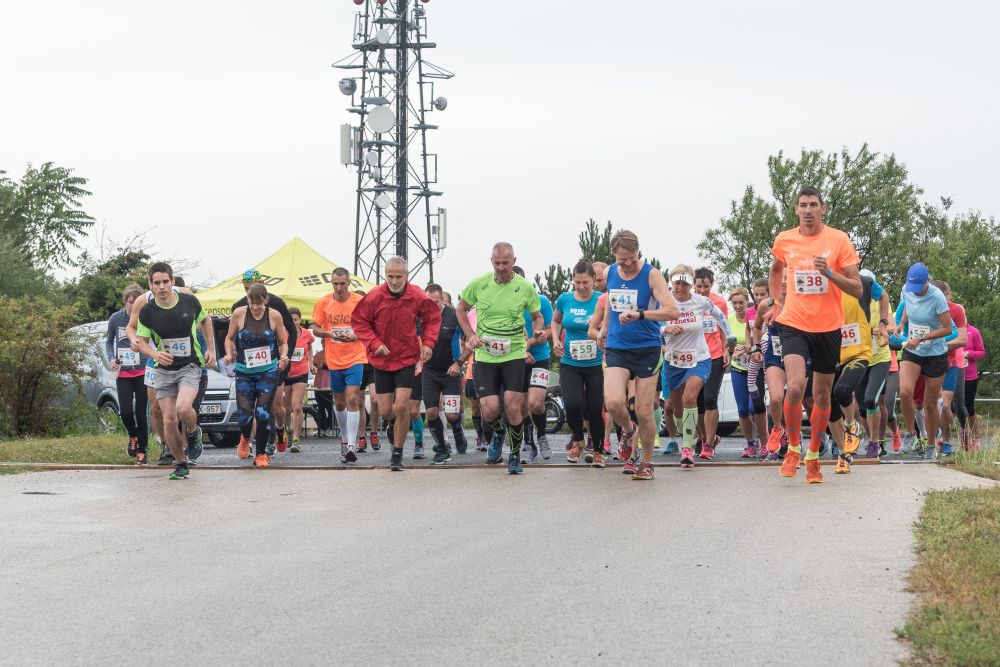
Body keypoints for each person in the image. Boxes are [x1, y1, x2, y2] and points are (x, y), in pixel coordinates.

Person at [766, 186, 862, 484]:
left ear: (823, 208)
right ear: (796, 209)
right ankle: (794, 448)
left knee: (822, 395)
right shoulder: (784, 239)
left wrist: (830, 274)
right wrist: (776, 302)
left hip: (829, 327)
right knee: (794, 387)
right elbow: (776, 269)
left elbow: (857, 288)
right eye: (803, 205)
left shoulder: (838, 240)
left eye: (813, 205)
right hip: (794, 323)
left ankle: (813, 456)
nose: (808, 210)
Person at [456, 242, 546, 475]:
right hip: (485, 354)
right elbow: (460, 308)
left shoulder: (525, 287)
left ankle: (514, 455)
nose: (501, 268)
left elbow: (537, 317)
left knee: (512, 406)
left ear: (514, 261)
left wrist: (537, 330)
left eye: (506, 263)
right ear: (491, 261)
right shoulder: (480, 284)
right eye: (497, 263)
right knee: (489, 408)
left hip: (514, 352)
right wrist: (470, 335)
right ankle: (498, 432)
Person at [597, 230, 679, 480]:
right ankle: (627, 429)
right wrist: (604, 328)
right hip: (618, 347)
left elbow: (672, 311)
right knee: (612, 402)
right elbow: (611, 303)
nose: (629, 264)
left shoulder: (651, 275)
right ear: (614, 255)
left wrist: (641, 314)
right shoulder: (609, 272)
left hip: (646, 348)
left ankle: (646, 462)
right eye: (623, 260)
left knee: (644, 410)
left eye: (632, 258)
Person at [352, 256, 441, 471]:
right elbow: (359, 321)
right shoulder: (374, 296)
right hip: (381, 360)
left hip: (406, 358)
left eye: (398, 277)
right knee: (385, 411)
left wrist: (428, 343)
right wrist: (374, 343)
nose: (394, 281)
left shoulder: (416, 295)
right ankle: (392, 424)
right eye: (390, 276)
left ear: (407, 276)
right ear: (385, 275)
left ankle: (397, 455)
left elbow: (433, 318)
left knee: (402, 406)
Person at [135, 262, 216, 480]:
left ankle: (193, 430)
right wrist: (154, 354)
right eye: (156, 283)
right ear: (150, 286)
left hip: (189, 365)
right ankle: (181, 462)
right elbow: (141, 342)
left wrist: (210, 349)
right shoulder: (147, 311)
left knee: (183, 408)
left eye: (165, 282)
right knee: (169, 419)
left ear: (172, 282)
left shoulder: (189, 301)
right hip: (164, 369)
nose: (161, 287)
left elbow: (206, 320)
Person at [660, 266, 734, 469]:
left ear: (691, 284)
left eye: (685, 283)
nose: (681, 287)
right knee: (676, 408)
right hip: (674, 360)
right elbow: (651, 325)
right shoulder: (664, 301)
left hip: (699, 358)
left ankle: (687, 448)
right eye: (678, 283)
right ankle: (690, 437)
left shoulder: (700, 301)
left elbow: (719, 315)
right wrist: (665, 328)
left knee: (690, 398)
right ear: (671, 282)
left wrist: (731, 337)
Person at [223, 284, 289, 467]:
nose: (255, 308)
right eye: (252, 303)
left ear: (265, 301)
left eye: (258, 304)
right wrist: (229, 353)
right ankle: (245, 437)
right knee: (244, 416)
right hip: (244, 371)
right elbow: (229, 338)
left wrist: (284, 356)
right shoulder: (239, 313)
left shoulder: (274, 315)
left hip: (268, 370)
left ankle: (261, 454)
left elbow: (283, 342)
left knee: (262, 413)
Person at [232, 269, 297, 453]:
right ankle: (265, 443)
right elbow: (235, 336)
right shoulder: (239, 307)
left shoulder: (276, 304)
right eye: (245, 289)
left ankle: (280, 428)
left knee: (275, 406)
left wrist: (286, 356)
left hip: (273, 363)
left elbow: (290, 332)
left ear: (262, 283)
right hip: (249, 366)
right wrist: (234, 354)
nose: (249, 293)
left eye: (252, 287)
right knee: (256, 409)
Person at [897, 263, 954, 460]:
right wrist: (902, 323)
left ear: (927, 282)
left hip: (935, 353)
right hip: (913, 351)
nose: (915, 291)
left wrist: (922, 338)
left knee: (930, 403)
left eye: (919, 287)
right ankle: (910, 434)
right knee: (904, 391)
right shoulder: (907, 289)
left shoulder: (937, 296)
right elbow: (908, 307)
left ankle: (930, 444)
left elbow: (947, 329)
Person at [312, 268, 368, 464]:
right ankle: (344, 439)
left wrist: (357, 335)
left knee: (353, 397)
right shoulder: (324, 302)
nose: (339, 287)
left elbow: (369, 325)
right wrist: (329, 334)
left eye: (342, 283)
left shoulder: (358, 302)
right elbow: (316, 328)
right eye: (335, 283)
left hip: (355, 356)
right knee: (340, 401)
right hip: (334, 358)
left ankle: (352, 444)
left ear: (348, 283)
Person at [552, 259, 606, 466]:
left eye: (586, 282)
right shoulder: (565, 299)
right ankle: (577, 440)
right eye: (578, 283)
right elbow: (556, 321)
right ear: (573, 281)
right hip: (570, 361)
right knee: (572, 404)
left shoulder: (602, 300)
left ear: (594, 280)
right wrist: (556, 340)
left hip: (595, 363)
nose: (582, 287)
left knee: (594, 408)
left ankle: (599, 451)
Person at [421, 283, 470, 463]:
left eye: (435, 302)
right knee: (432, 412)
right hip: (429, 371)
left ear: (443, 300)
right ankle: (442, 448)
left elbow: (471, 342)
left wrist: (459, 363)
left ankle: (457, 429)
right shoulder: (421, 317)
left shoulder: (454, 316)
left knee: (451, 415)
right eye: (428, 302)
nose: (431, 306)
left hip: (451, 371)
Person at [512, 266, 554, 463]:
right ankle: (529, 444)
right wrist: (522, 350)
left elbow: (550, 328)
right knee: (521, 406)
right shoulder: (505, 305)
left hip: (540, 357)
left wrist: (542, 337)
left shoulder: (541, 301)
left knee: (536, 404)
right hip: (515, 359)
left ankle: (542, 435)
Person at [106, 284, 150, 464]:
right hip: (123, 372)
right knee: (125, 411)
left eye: (137, 302)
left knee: (141, 413)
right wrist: (111, 358)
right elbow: (109, 342)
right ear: (125, 302)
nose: (133, 306)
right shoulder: (116, 319)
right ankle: (133, 435)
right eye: (131, 302)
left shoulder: (146, 318)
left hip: (142, 371)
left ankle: (142, 451)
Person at [692, 267, 729, 458]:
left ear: (711, 285)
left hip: (714, 355)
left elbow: (724, 327)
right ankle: (704, 436)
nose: (702, 290)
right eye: (699, 286)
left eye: (706, 286)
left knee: (709, 399)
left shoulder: (719, 302)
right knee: (696, 402)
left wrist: (725, 349)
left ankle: (708, 444)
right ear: (694, 285)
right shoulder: (688, 302)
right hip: (693, 356)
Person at [727, 286, 764, 458]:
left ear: (746, 301)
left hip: (755, 368)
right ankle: (750, 443)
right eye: (734, 303)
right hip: (738, 367)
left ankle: (765, 439)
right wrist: (732, 350)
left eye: (741, 302)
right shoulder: (729, 319)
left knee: (754, 408)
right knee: (742, 410)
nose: (738, 306)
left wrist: (750, 348)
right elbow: (726, 344)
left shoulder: (753, 315)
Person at [931, 280, 967, 455]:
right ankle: (931, 438)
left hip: (952, 363)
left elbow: (962, 339)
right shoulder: (925, 309)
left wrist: (938, 343)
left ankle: (946, 442)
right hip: (930, 362)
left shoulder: (957, 310)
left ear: (947, 295)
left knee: (946, 406)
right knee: (930, 404)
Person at [281, 307, 314, 453]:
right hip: (286, 374)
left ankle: (296, 439)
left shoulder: (306, 334)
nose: (294, 322)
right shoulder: (283, 334)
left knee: (297, 407)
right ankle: (288, 429)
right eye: (291, 319)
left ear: (300, 319)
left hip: (301, 373)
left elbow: (310, 348)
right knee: (286, 410)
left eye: (296, 319)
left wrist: (311, 363)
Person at [964, 322, 985, 450]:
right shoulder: (949, 330)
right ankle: (963, 437)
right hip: (952, 373)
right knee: (951, 408)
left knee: (969, 407)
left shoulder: (973, 331)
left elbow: (982, 353)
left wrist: (970, 354)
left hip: (969, 376)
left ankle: (975, 437)